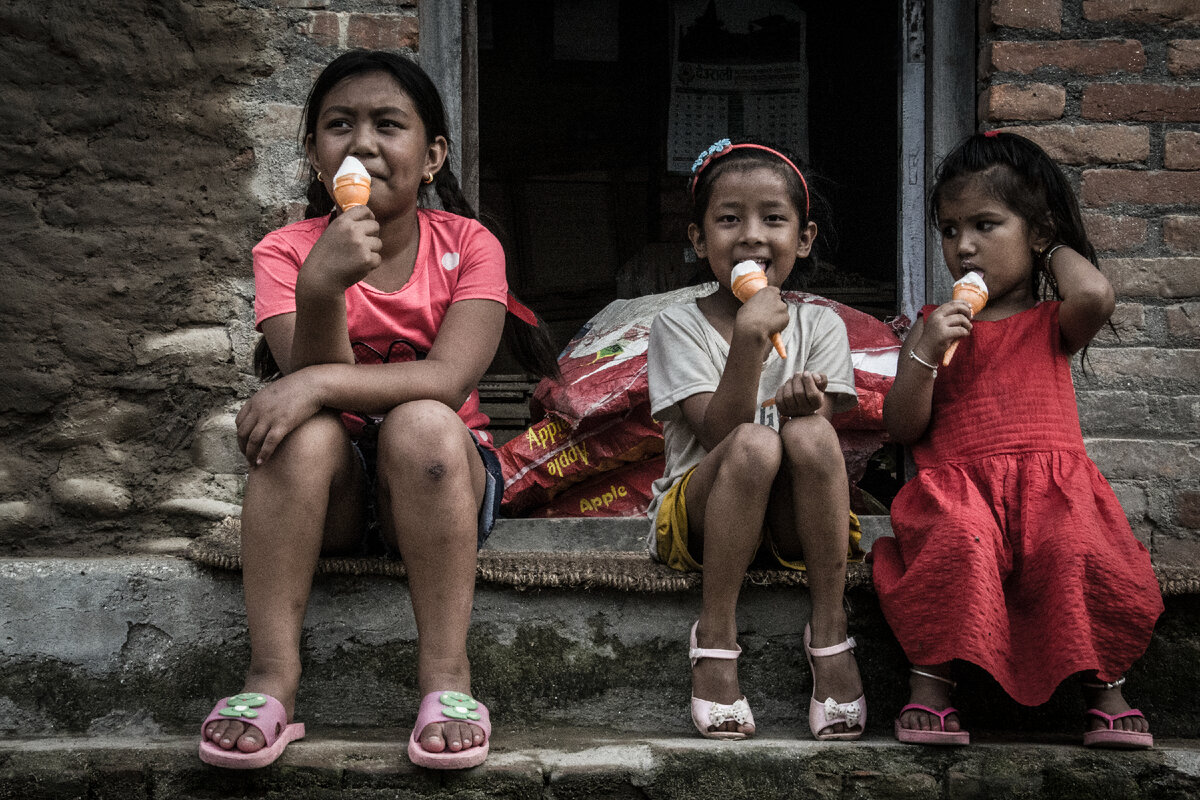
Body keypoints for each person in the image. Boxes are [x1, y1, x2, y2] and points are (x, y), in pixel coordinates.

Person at [198, 49, 557, 770]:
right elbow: (308, 375)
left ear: (432, 157)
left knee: (422, 420)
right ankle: (271, 679)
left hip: (436, 479)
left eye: (388, 125)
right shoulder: (285, 252)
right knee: (302, 436)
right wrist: (321, 287)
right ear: (313, 155)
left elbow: (448, 379)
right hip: (331, 495)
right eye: (339, 125)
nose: (361, 143)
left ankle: (448, 678)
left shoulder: (470, 244)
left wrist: (313, 386)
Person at [873, 131, 1163, 749]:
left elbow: (1096, 293)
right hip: (961, 495)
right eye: (949, 231)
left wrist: (1048, 244)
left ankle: (1104, 687)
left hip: (1050, 494)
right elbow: (902, 426)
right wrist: (926, 352)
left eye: (986, 226)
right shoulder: (931, 326)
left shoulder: (1052, 322)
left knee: (1074, 546)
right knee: (958, 541)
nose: (964, 247)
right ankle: (932, 684)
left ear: (1035, 233)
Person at [646, 138, 867, 741]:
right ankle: (715, 633)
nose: (750, 236)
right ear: (698, 240)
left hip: (794, 522)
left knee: (810, 435)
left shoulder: (822, 324)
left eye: (773, 219)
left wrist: (805, 407)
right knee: (753, 444)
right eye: (728, 220)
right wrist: (747, 340)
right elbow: (719, 432)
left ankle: (830, 628)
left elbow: (820, 429)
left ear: (804, 238)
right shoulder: (676, 325)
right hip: (700, 517)